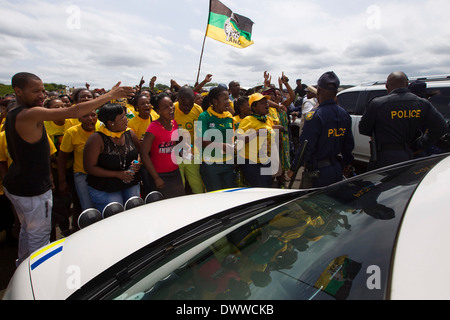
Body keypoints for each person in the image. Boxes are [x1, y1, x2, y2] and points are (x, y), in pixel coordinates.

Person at [3, 72, 134, 266]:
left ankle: (22, 264)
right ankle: (38, 278)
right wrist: (109, 96)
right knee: (39, 238)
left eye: (43, 90)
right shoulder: (30, 113)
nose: (42, 95)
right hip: (32, 190)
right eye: (36, 91)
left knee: (26, 230)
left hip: (18, 185)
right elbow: (73, 112)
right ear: (18, 91)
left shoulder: (14, 112)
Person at [359, 71, 448, 169]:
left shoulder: (377, 104)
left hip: (383, 158)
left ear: (386, 85)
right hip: (409, 155)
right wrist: (421, 145)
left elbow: (363, 129)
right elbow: (441, 127)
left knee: (383, 183)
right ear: (407, 85)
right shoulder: (422, 103)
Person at [289, 71, 354, 188]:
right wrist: (346, 164)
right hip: (336, 169)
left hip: (318, 173)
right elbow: (348, 145)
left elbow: (306, 147)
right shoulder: (344, 114)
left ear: (318, 91)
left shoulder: (315, 116)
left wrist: (294, 167)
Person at [83, 103, 141, 213]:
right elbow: (89, 167)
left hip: (130, 183)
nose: (126, 119)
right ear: (111, 122)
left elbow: (139, 152)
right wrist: (117, 175)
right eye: (122, 117)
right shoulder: (96, 139)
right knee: (114, 215)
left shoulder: (129, 133)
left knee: (134, 212)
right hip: (106, 187)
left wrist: (138, 162)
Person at [141, 92, 185, 199]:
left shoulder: (174, 123)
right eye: (166, 107)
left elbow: (177, 141)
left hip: (175, 172)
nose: (171, 108)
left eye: (171, 104)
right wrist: (156, 178)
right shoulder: (153, 128)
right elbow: (144, 154)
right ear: (158, 111)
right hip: (160, 175)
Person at [58, 110, 98, 214]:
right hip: (82, 174)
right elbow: (62, 158)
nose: (90, 118)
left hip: (101, 173)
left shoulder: (102, 128)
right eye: (85, 115)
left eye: (93, 115)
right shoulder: (72, 132)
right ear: (79, 119)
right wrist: (62, 181)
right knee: (88, 208)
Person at [236, 93, 279, 188]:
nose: (266, 105)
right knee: (261, 188)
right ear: (254, 107)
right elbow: (239, 139)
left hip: (265, 160)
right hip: (251, 162)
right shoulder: (248, 120)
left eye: (266, 102)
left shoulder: (267, 119)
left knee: (267, 187)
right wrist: (256, 133)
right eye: (262, 103)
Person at [197, 86, 236, 192]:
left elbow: (232, 137)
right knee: (215, 195)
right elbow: (201, 140)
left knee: (230, 194)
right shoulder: (204, 117)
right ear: (215, 101)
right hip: (210, 165)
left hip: (228, 163)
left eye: (229, 99)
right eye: (225, 99)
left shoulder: (229, 116)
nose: (228, 102)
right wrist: (222, 146)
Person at [173, 86, 205, 194]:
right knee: (179, 186)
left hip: (192, 154)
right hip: (176, 155)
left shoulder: (198, 110)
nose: (187, 108)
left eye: (190, 105)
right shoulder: (171, 109)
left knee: (197, 186)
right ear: (178, 100)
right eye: (184, 105)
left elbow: (199, 133)